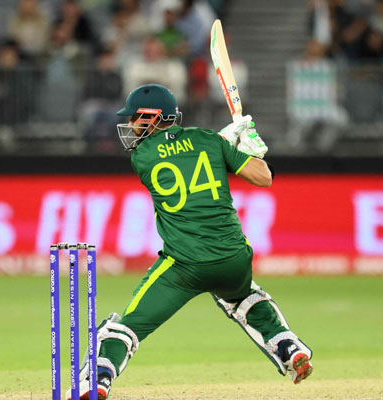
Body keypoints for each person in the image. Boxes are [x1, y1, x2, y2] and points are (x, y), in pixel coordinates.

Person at [69, 84, 313, 399]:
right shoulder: (208, 140)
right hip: (234, 258)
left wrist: (226, 141)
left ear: (151, 118)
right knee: (241, 297)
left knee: (127, 326)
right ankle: (287, 346)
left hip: (184, 265)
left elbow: (181, 154)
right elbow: (264, 177)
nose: (129, 126)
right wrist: (248, 149)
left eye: (133, 119)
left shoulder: (143, 156)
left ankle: (98, 379)